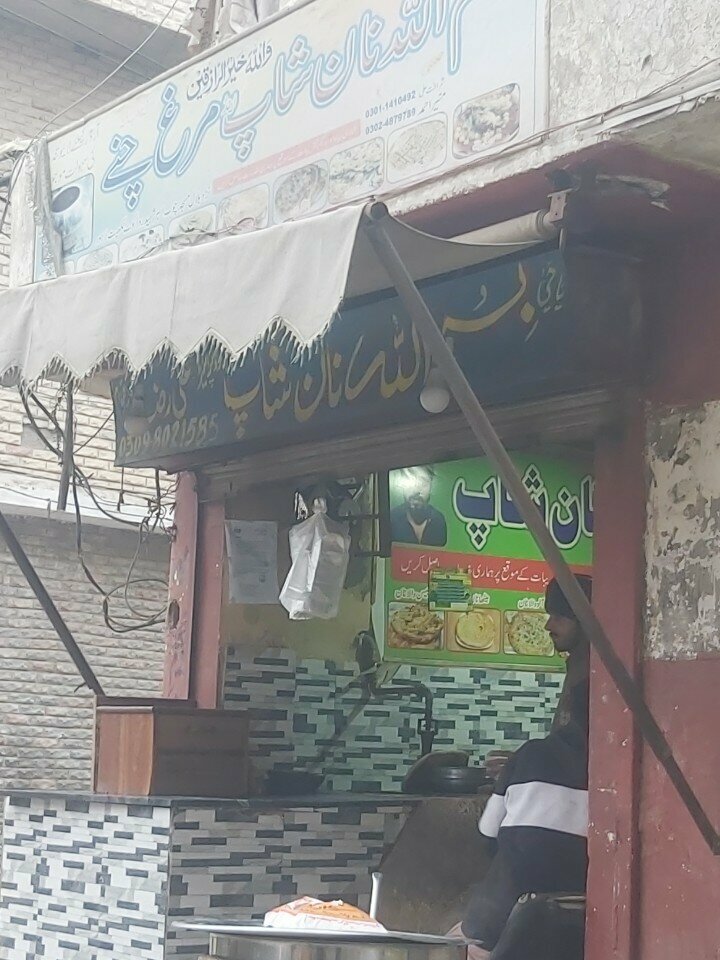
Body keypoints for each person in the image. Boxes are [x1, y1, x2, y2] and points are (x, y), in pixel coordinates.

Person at [458, 680, 589, 958]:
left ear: (568, 714)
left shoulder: (529, 753)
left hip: (503, 913)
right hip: (576, 925)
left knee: (457, 945)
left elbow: (487, 835)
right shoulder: (620, 767)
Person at [390, 466, 448, 547]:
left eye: (423, 483)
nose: (416, 491)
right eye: (410, 481)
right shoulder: (392, 518)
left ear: (431, 486)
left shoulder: (438, 520)